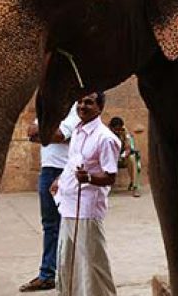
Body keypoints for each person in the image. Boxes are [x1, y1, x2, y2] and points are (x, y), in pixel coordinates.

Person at [52, 92, 120, 296]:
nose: (82, 106)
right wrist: (60, 181)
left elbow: (110, 177)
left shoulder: (106, 138)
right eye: (80, 102)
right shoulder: (77, 131)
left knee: (92, 264)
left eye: (88, 102)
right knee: (67, 261)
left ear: (100, 107)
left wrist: (89, 179)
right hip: (68, 205)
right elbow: (72, 162)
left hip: (88, 210)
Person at [19, 103, 80, 292]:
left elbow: (60, 135)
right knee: (50, 225)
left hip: (66, 170)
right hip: (47, 170)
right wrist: (50, 135)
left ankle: (69, 272)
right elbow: (30, 132)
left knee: (70, 224)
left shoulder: (76, 110)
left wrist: (45, 135)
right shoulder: (50, 110)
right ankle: (48, 273)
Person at [108, 117, 141, 197]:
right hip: (109, 158)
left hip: (122, 158)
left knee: (132, 158)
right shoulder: (106, 133)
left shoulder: (125, 132)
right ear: (111, 128)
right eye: (116, 130)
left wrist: (124, 154)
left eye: (120, 129)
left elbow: (128, 147)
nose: (118, 131)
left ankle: (135, 186)